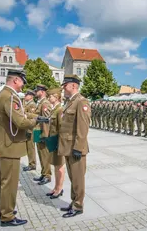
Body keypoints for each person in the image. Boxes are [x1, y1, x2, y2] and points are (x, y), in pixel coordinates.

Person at [0, 69, 38, 227]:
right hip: (9, 146)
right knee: (9, 183)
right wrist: (37, 120)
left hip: (1, 145)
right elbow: (22, 123)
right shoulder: (10, 97)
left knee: (1, 181)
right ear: (16, 80)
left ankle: (0, 210)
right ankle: (8, 216)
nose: (23, 85)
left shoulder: (2, 94)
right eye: (22, 81)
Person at [58, 74, 90, 218]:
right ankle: (74, 201)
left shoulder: (81, 102)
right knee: (73, 178)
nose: (63, 88)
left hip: (76, 148)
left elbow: (83, 128)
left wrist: (78, 147)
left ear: (73, 86)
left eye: (65, 86)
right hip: (68, 147)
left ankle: (78, 206)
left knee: (78, 179)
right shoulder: (70, 102)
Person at [45, 87, 66, 199]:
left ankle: (59, 188)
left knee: (59, 167)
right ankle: (56, 187)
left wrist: (60, 143)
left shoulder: (60, 110)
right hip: (53, 140)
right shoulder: (54, 109)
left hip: (58, 141)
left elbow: (62, 128)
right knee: (56, 166)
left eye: (51, 96)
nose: (49, 98)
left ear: (57, 97)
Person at [33, 84, 52, 185]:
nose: (36, 92)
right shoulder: (40, 102)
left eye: (38, 90)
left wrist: (45, 135)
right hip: (37, 131)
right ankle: (43, 173)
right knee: (40, 154)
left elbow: (46, 121)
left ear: (43, 92)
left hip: (41, 132)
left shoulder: (45, 103)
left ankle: (47, 175)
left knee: (45, 155)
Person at [22, 91, 37, 172]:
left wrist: (29, 130)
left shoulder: (32, 105)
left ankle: (32, 164)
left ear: (31, 96)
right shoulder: (27, 104)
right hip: (28, 129)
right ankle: (30, 163)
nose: (25, 95)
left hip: (31, 129)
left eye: (26, 95)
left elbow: (32, 118)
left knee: (31, 148)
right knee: (29, 148)